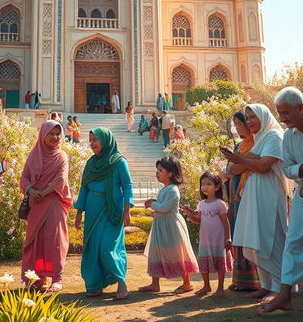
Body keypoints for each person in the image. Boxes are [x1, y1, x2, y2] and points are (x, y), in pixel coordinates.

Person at [260, 87, 303, 314]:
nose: (282, 118)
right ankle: (285, 295)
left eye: (286, 113)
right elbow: (288, 168)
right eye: (280, 113)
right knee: (295, 239)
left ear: (301, 108)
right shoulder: (288, 136)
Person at [222, 103, 287, 300]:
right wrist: (246, 161)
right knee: (255, 238)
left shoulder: (274, 136)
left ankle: (278, 287)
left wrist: (241, 161)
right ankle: (266, 284)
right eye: (247, 117)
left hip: (269, 195)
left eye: (253, 117)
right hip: (253, 194)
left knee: (271, 237)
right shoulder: (258, 140)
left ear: (264, 117)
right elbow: (232, 169)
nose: (249, 121)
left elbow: (264, 166)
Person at [74, 128, 134, 299]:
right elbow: (84, 187)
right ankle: (95, 285)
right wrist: (79, 213)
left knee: (109, 248)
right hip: (92, 210)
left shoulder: (118, 161)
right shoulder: (91, 163)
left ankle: (121, 282)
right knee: (92, 248)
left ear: (106, 140)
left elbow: (127, 185)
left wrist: (127, 210)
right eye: (90, 140)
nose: (92, 143)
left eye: (95, 140)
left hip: (112, 211)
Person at [20, 120, 71, 291]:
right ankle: (37, 278)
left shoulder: (61, 156)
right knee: (35, 242)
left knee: (55, 241)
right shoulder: (34, 155)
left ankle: (57, 278)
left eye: (58, 134)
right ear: (43, 134)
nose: (56, 137)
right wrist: (32, 191)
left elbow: (61, 179)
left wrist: (45, 192)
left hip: (53, 203)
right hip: (36, 204)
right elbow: (24, 177)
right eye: (52, 134)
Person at [140, 156, 198, 294]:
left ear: (170, 173)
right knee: (156, 251)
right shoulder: (165, 189)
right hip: (161, 225)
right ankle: (155, 283)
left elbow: (165, 207)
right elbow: (162, 204)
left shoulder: (173, 190)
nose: (157, 173)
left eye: (160, 170)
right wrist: (154, 202)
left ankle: (186, 283)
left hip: (171, 227)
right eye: (157, 170)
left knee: (177, 253)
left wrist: (151, 204)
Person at [182, 171, 232, 297]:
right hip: (205, 241)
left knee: (220, 265)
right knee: (203, 264)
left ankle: (220, 288)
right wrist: (189, 213)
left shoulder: (220, 204)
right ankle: (206, 286)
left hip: (218, 240)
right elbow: (197, 220)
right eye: (202, 184)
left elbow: (226, 222)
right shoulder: (201, 204)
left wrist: (228, 238)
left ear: (217, 186)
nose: (204, 187)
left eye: (208, 184)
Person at [226, 110, 260, 292]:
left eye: (239, 123)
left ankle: (255, 280)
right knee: (237, 233)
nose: (237, 127)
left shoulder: (256, 144)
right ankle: (240, 279)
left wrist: (237, 166)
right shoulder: (239, 146)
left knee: (248, 234)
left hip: (247, 192)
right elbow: (232, 169)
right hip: (235, 194)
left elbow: (238, 168)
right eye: (236, 124)